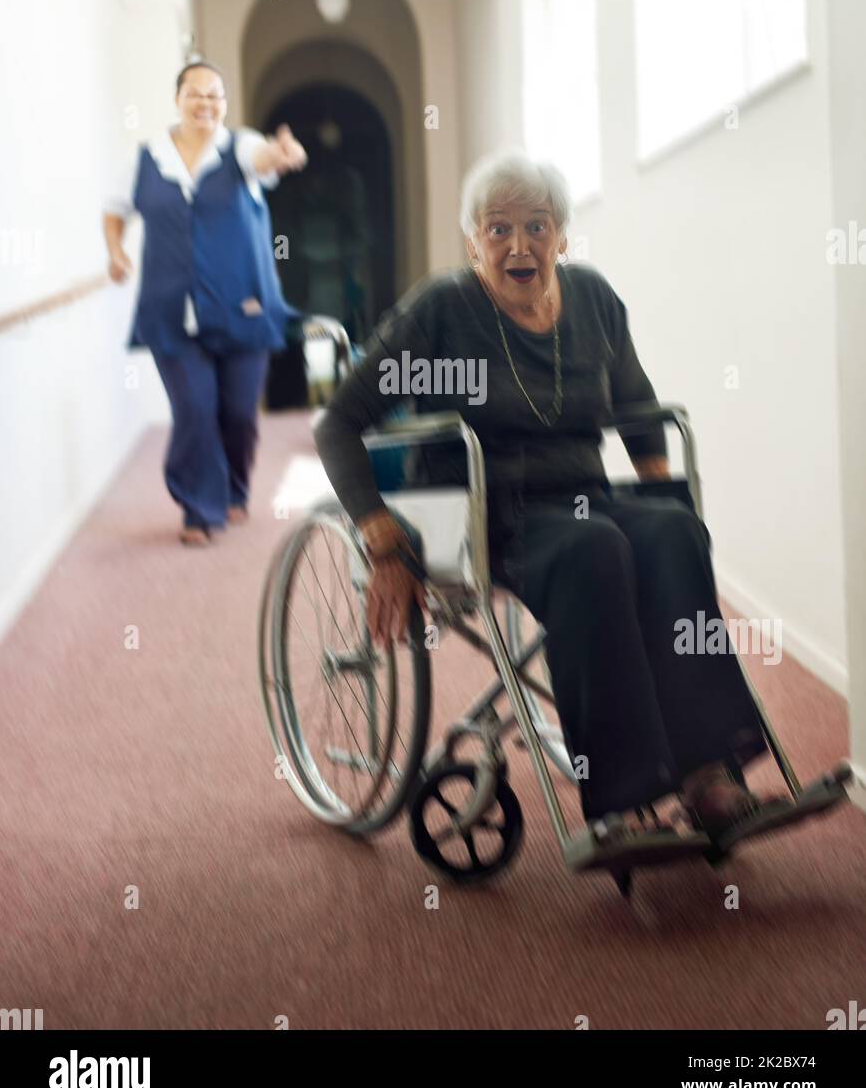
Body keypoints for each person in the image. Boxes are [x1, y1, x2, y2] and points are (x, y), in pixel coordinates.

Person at [312, 149, 799, 871]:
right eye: (498, 228)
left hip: (586, 500)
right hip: (489, 514)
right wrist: (382, 539)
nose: (519, 245)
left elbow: (637, 409)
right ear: (473, 241)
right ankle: (623, 800)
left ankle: (706, 774)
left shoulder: (594, 300)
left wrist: (662, 490)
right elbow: (339, 421)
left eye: (537, 226)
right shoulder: (443, 309)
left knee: (669, 531)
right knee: (593, 549)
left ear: (562, 236)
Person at [103, 61, 307, 545]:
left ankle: (235, 489)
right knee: (194, 410)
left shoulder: (238, 147)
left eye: (215, 96)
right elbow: (115, 210)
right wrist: (116, 252)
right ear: (177, 99)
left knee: (237, 414)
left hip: (244, 310)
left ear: (225, 105)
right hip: (170, 313)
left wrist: (281, 155)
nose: (206, 104)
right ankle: (197, 509)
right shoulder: (147, 158)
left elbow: (263, 159)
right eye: (196, 94)